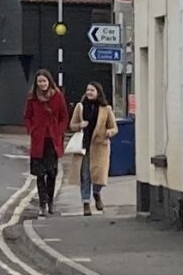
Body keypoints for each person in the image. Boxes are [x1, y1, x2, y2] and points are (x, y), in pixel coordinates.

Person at [23, 69, 68, 213]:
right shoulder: (32, 98)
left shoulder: (58, 96)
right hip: (38, 140)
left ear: (49, 81)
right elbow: (27, 117)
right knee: (40, 173)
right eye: (39, 81)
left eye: (44, 81)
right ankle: (42, 204)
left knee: (52, 173)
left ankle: (50, 201)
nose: (42, 84)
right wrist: (32, 130)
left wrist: (59, 131)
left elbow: (64, 117)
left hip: (52, 140)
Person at [72, 80, 118, 215]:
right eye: (87, 90)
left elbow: (114, 128)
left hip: (100, 147)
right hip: (84, 147)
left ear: (98, 93)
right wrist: (80, 125)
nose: (89, 92)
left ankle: (97, 193)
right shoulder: (80, 107)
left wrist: (109, 132)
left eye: (92, 90)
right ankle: (86, 203)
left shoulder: (106, 109)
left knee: (99, 177)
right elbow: (72, 125)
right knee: (85, 176)